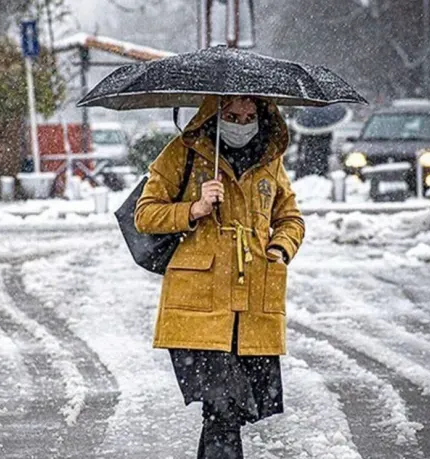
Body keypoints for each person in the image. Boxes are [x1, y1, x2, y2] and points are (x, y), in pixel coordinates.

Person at [134, 94, 305, 458]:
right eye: (231, 115)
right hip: (198, 308)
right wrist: (194, 208)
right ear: (214, 114)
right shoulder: (184, 153)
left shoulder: (269, 161)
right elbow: (145, 214)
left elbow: (291, 219)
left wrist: (278, 250)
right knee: (224, 406)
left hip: (253, 308)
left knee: (224, 414)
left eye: (248, 116)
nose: (240, 124)